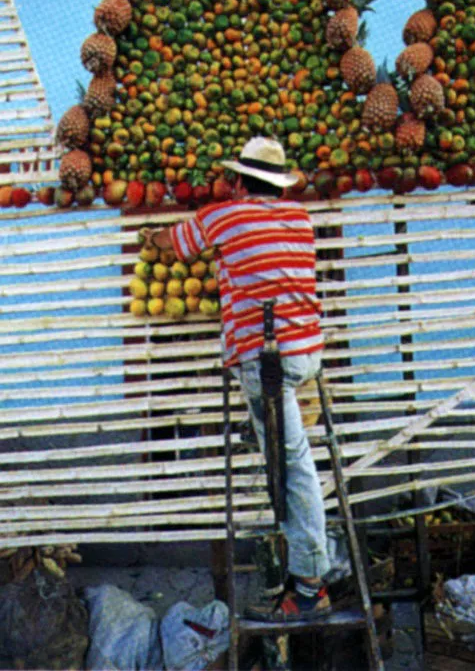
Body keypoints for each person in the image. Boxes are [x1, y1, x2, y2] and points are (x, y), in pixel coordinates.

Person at [140, 136, 331, 622]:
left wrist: (152, 237)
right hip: (307, 350)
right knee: (284, 454)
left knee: (292, 466)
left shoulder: (225, 216)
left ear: (241, 181)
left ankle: (311, 587)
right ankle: (303, 569)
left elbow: (175, 243)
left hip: (268, 361)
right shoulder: (299, 219)